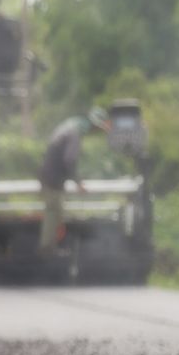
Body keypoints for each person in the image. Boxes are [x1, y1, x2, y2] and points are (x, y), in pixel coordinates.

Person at [39, 108, 111, 252]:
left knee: (56, 213)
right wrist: (78, 183)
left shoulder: (70, 125)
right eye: (97, 129)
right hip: (53, 178)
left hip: (48, 174)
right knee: (54, 213)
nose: (96, 132)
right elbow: (69, 160)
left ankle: (51, 248)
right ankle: (47, 250)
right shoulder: (75, 134)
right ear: (93, 125)